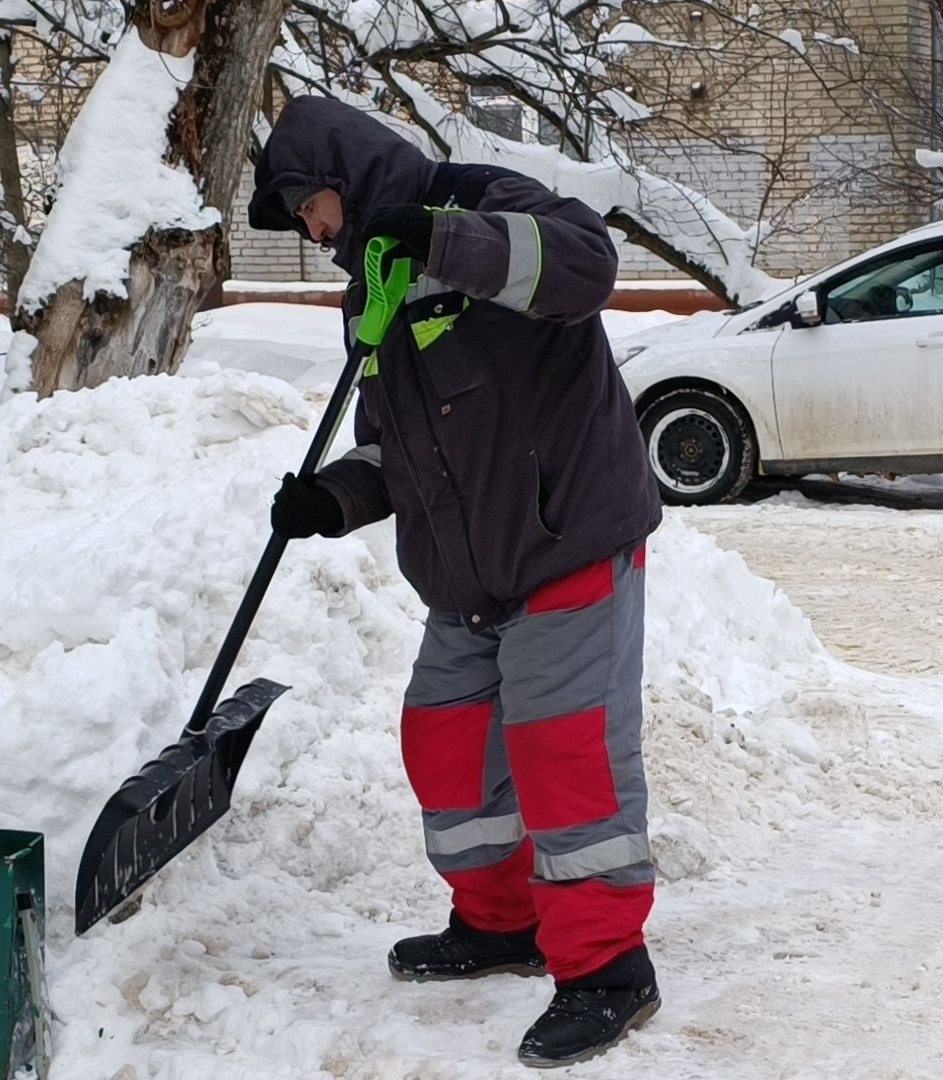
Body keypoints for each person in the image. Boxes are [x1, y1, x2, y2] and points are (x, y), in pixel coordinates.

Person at [246, 95, 664, 1069]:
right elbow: (397, 452)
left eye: (307, 210)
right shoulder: (372, 291)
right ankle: (500, 922)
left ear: (340, 183)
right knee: (445, 741)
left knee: (567, 758)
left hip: (563, 540)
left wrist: (440, 237)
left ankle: (608, 968)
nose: (312, 235)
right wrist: (332, 502)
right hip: (470, 576)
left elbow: (586, 266)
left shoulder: (479, 200)